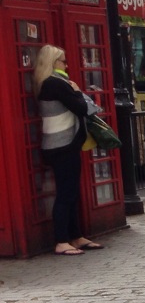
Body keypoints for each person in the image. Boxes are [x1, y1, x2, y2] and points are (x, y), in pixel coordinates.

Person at [33, 45, 102, 255]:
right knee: (66, 194)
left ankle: (75, 236)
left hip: (56, 145)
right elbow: (81, 108)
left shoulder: (46, 83)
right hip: (63, 145)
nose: (67, 64)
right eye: (63, 61)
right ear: (54, 63)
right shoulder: (57, 83)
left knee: (71, 192)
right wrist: (78, 91)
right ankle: (62, 240)